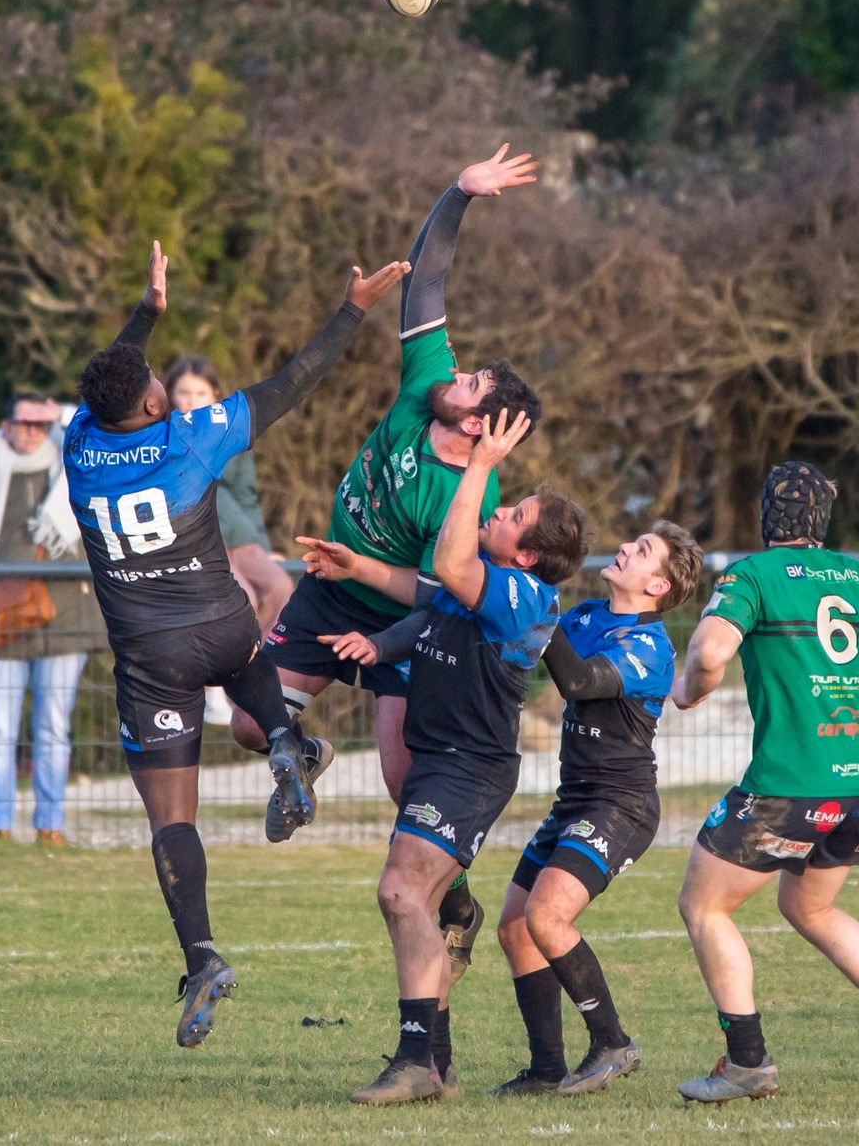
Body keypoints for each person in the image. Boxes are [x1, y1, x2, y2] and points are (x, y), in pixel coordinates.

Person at [65, 239, 407, 1049]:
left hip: (152, 662)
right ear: (152, 407)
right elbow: (291, 384)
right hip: (223, 627)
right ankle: (285, 742)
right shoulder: (190, 438)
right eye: (156, 384)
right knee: (252, 656)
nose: (162, 386)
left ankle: (203, 955)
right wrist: (352, 309)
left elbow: (111, 379)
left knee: (170, 822)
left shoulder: (79, 448)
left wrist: (146, 315)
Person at [242, 144, 543, 842]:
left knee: (405, 785)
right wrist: (460, 193)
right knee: (249, 725)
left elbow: (438, 598)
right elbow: (426, 281)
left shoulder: (468, 492)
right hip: (331, 590)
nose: (457, 371)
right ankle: (305, 754)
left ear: (474, 423)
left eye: (470, 384)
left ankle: (451, 904)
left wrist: (364, 574)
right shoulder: (425, 387)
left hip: (400, 622)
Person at [309, 411, 590, 1105]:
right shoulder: (486, 583)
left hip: (468, 769)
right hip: (441, 760)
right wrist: (376, 637)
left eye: (515, 513)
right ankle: (432, 1060)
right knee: (420, 905)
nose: (498, 510)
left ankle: (418, 1062)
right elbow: (426, 599)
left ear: (528, 552)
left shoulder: (524, 596)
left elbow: (444, 566)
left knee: (400, 892)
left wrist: (479, 464)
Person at [671, 461, 859, 1106]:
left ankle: (747, 1062)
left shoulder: (754, 574)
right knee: (809, 906)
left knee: (703, 905)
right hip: (855, 784)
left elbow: (711, 653)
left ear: (766, 516)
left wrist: (687, 691)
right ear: (822, 519)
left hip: (786, 785)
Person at [490, 520, 705, 1098]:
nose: (625, 550)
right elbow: (523, 655)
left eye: (641, 552)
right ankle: (546, 1069)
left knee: (546, 918)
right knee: (515, 927)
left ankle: (612, 1042)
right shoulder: (584, 616)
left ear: (657, 587)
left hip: (622, 805)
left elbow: (580, 681)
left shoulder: (651, 647)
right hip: (576, 799)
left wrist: (539, 600)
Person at [0, 393, 105, 847]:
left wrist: (61, 415)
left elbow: (98, 424)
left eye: (41, 423)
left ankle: (49, 824)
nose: (32, 431)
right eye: (24, 422)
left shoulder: (75, 463)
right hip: (1, 617)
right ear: (6, 425)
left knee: (53, 724)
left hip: (64, 617)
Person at [165, 357, 294, 726]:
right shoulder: (167, 435)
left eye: (200, 393)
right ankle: (216, 688)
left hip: (238, 532)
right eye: (184, 393)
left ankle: (261, 675)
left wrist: (264, 547)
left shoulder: (231, 432)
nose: (191, 401)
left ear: (215, 396)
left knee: (280, 587)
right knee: (243, 598)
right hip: (200, 534)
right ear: (172, 396)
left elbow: (246, 493)